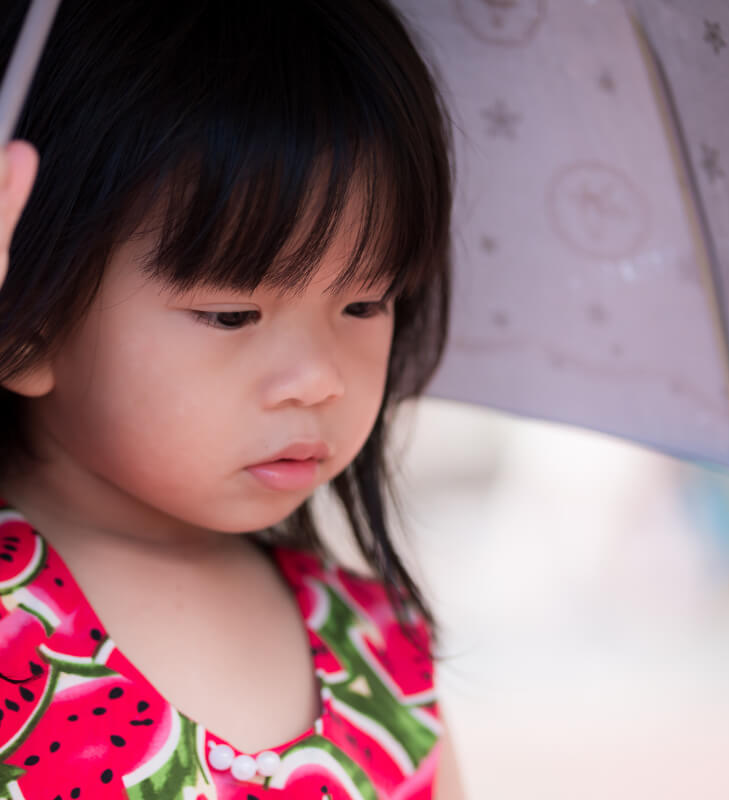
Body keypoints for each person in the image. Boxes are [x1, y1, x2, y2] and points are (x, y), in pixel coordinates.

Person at [0, 1, 463, 797]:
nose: (322, 377)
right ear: (30, 319)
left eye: (366, 304)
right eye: (232, 314)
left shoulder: (384, 651)